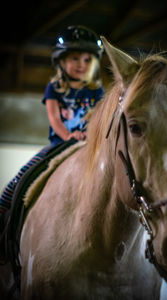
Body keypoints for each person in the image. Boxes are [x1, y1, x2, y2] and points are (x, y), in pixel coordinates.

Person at [0, 25, 104, 222]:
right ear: (61, 61)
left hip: (89, 144)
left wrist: (90, 135)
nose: (81, 64)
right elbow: (54, 118)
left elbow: (99, 117)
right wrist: (68, 136)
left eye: (87, 59)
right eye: (75, 58)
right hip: (60, 144)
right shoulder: (53, 89)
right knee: (27, 171)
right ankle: (4, 204)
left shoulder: (97, 92)